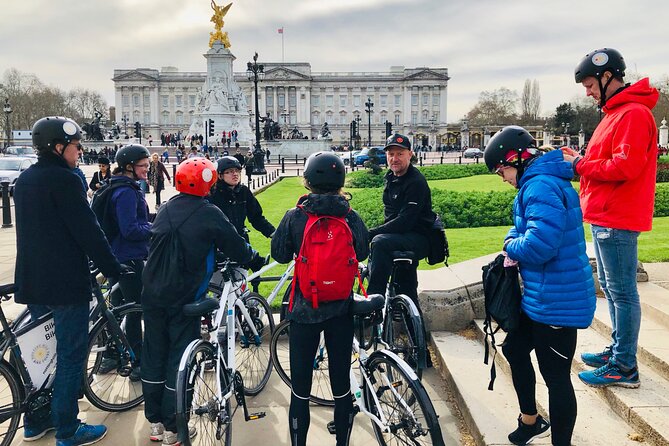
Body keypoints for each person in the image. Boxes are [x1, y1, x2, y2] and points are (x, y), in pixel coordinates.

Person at [14, 116, 127, 446]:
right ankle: (67, 428)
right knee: (69, 357)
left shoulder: (25, 180)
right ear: (59, 147)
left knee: (43, 356)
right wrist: (113, 266)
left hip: (34, 281)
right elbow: (87, 231)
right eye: (77, 147)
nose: (80, 152)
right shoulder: (66, 180)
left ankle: (36, 421)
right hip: (65, 282)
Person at [484, 125, 595, 446]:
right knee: (514, 349)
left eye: (501, 170)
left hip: (557, 302)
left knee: (556, 378)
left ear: (515, 160)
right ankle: (530, 420)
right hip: (542, 295)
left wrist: (509, 245)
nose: (502, 178)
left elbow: (539, 246)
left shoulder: (539, 187)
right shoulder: (539, 183)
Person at [140, 158, 264, 446]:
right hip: (183, 294)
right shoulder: (209, 212)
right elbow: (235, 245)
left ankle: (155, 421)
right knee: (178, 359)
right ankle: (174, 427)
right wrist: (254, 256)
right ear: (209, 181)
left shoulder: (167, 207)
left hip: (152, 293)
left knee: (154, 354)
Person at [562, 48, 659, 388]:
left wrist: (579, 165)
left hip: (617, 215)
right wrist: (581, 160)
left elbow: (625, 167)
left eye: (589, 84)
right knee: (613, 289)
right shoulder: (616, 113)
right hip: (606, 214)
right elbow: (605, 160)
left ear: (607, 77)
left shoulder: (631, 114)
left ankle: (624, 366)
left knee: (621, 291)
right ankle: (619, 351)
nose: (587, 92)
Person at [271, 152, 369, 446]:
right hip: (340, 307)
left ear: (308, 182)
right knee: (341, 386)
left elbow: (278, 253)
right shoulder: (350, 216)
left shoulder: (295, 216)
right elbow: (362, 252)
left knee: (300, 389)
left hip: (304, 309)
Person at [97, 144, 153, 379]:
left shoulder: (118, 186)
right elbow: (130, 229)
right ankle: (137, 360)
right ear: (129, 167)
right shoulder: (127, 192)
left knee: (117, 309)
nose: (147, 170)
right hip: (129, 257)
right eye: (143, 166)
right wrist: (153, 227)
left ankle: (112, 355)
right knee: (134, 309)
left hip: (116, 255)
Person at [366, 133, 437, 308]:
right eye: (391, 154)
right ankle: (411, 320)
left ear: (410, 154)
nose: (394, 158)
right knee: (406, 286)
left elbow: (405, 221)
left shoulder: (416, 182)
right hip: (402, 236)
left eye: (399, 154)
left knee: (379, 242)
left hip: (419, 237)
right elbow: (391, 216)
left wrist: (370, 234)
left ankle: (374, 302)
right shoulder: (391, 177)